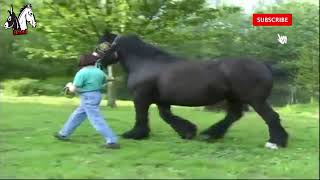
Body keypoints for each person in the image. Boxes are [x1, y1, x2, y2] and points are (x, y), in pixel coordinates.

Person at [54, 53, 120, 149]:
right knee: (77, 116)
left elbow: (73, 90)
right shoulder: (99, 72)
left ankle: (112, 141)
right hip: (96, 95)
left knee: (96, 119)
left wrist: (69, 85)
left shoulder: (82, 72)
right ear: (94, 62)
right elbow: (107, 80)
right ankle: (63, 134)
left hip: (88, 97)